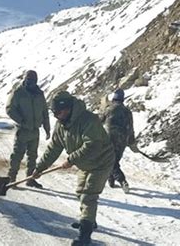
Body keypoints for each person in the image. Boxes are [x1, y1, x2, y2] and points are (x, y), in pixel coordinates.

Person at [32, 91, 115, 246]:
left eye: (58, 112)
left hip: (101, 162)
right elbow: (54, 148)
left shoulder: (88, 120)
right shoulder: (61, 125)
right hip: (85, 163)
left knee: (88, 195)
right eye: (54, 112)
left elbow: (93, 145)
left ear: (68, 108)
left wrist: (71, 159)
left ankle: (85, 235)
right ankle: (89, 220)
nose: (56, 115)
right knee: (80, 192)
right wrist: (40, 167)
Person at [6, 70, 50, 188]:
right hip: (23, 130)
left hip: (35, 130)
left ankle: (30, 178)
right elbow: (10, 109)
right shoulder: (18, 92)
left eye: (33, 80)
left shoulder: (39, 94)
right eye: (29, 79)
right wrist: (21, 120)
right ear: (25, 79)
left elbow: (45, 111)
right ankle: (11, 178)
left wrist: (47, 128)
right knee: (17, 155)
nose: (31, 82)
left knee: (33, 156)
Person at [100, 88, 139, 193]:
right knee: (114, 160)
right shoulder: (127, 112)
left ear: (113, 98)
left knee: (110, 160)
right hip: (122, 140)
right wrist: (131, 142)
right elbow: (130, 128)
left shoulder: (109, 109)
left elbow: (99, 120)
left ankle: (122, 181)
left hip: (109, 139)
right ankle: (111, 180)